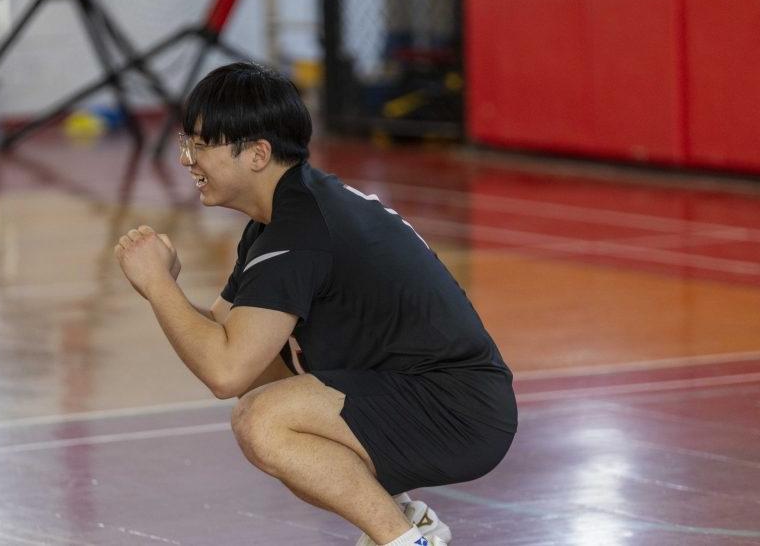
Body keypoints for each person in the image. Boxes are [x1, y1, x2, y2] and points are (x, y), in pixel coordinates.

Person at [115, 62, 517, 546]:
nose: (187, 160)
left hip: (457, 410)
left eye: (201, 144)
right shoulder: (281, 215)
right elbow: (226, 338)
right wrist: (164, 290)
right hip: (425, 394)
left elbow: (223, 372)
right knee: (262, 378)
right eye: (188, 143)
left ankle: (407, 541)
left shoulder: (300, 229)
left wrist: (160, 288)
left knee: (263, 420)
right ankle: (406, 519)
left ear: (258, 153)